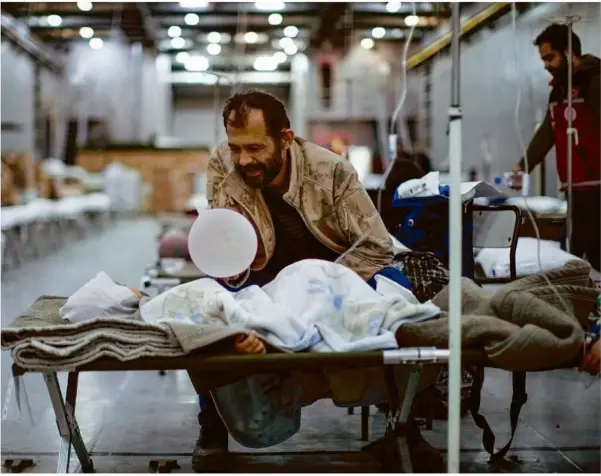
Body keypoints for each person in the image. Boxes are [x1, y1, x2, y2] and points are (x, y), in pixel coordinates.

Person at [193, 89, 442, 472]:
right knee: (207, 310)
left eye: (256, 148)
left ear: (286, 139)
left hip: (335, 272)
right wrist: (230, 274)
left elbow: (376, 247)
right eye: (236, 147)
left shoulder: (332, 172)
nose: (244, 159)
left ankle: (404, 426)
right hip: (265, 274)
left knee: (399, 298)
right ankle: (212, 428)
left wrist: (323, 289)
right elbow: (227, 243)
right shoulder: (223, 163)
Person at [511, 24, 600, 271]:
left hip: (597, 186)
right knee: (574, 251)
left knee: (586, 251)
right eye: (543, 59)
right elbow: (547, 133)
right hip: (576, 187)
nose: (546, 65)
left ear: (570, 53)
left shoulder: (595, 83)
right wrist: (524, 164)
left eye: (550, 57)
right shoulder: (558, 92)